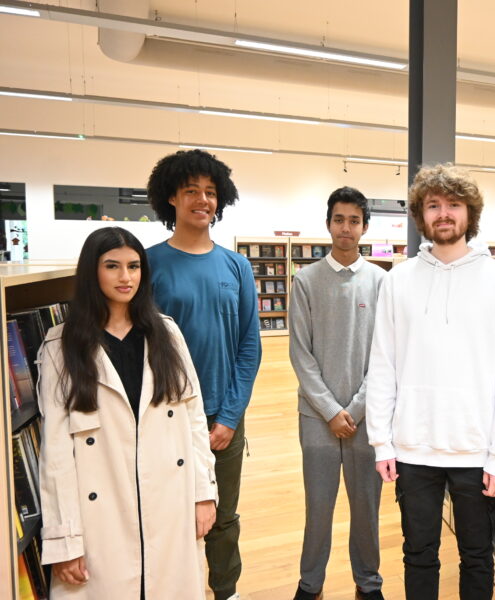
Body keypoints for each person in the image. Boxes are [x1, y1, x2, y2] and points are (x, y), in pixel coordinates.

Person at [366, 164, 495, 600]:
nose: (443, 214)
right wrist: (382, 441)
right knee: (418, 553)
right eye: (433, 205)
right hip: (413, 447)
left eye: (453, 205)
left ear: (469, 214)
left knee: (477, 556)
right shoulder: (398, 280)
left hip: (477, 452)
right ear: (421, 215)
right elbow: (383, 365)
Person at [37, 227, 217, 599]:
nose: (125, 277)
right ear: (92, 272)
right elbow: (55, 453)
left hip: (170, 499)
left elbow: (194, 419)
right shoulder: (61, 345)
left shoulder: (166, 333)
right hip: (101, 510)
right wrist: (65, 538)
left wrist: (203, 494)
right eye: (112, 266)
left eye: (134, 266)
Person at [146, 149, 262, 600]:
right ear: (171, 197)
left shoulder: (236, 266)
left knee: (223, 513)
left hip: (223, 415)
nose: (203, 199)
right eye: (192, 190)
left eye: (211, 192)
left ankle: (224, 589)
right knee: (171, 511)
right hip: (168, 416)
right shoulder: (149, 263)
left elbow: (249, 347)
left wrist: (230, 416)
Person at [289, 186, 386, 600]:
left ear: (365, 227)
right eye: (338, 219)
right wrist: (330, 410)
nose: (345, 228)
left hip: (368, 418)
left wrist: (358, 408)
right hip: (317, 419)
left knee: (367, 510)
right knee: (319, 509)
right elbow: (300, 353)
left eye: (354, 220)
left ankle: (369, 584)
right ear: (328, 224)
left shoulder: (383, 282)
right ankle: (310, 586)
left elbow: (386, 356)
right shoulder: (305, 280)